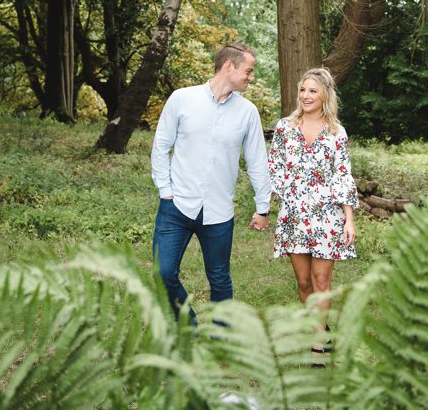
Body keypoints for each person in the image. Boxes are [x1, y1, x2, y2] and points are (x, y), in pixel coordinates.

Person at [151, 44, 272, 321]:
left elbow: (257, 162)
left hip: (218, 211)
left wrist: (262, 207)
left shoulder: (248, 112)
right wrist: (165, 190)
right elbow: (161, 146)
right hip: (176, 206)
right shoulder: (182, 99)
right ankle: (188, 327)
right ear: (229, 66)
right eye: (248, 71)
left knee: (219, 279)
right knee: (163, 272)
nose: (250, 78)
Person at [267, 67, 357, 356]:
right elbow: (275, 166)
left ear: (325, 95)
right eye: (303, 90)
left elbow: (343, 175)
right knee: (304, 282)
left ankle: (318, 341)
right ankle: (320, 326)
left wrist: (349, 220)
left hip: (327, 216)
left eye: (312, 91)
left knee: (321, 281)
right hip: (294, 215)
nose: (305, 96)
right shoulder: (284, 127)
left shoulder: (336, 133)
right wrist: (285, 196)